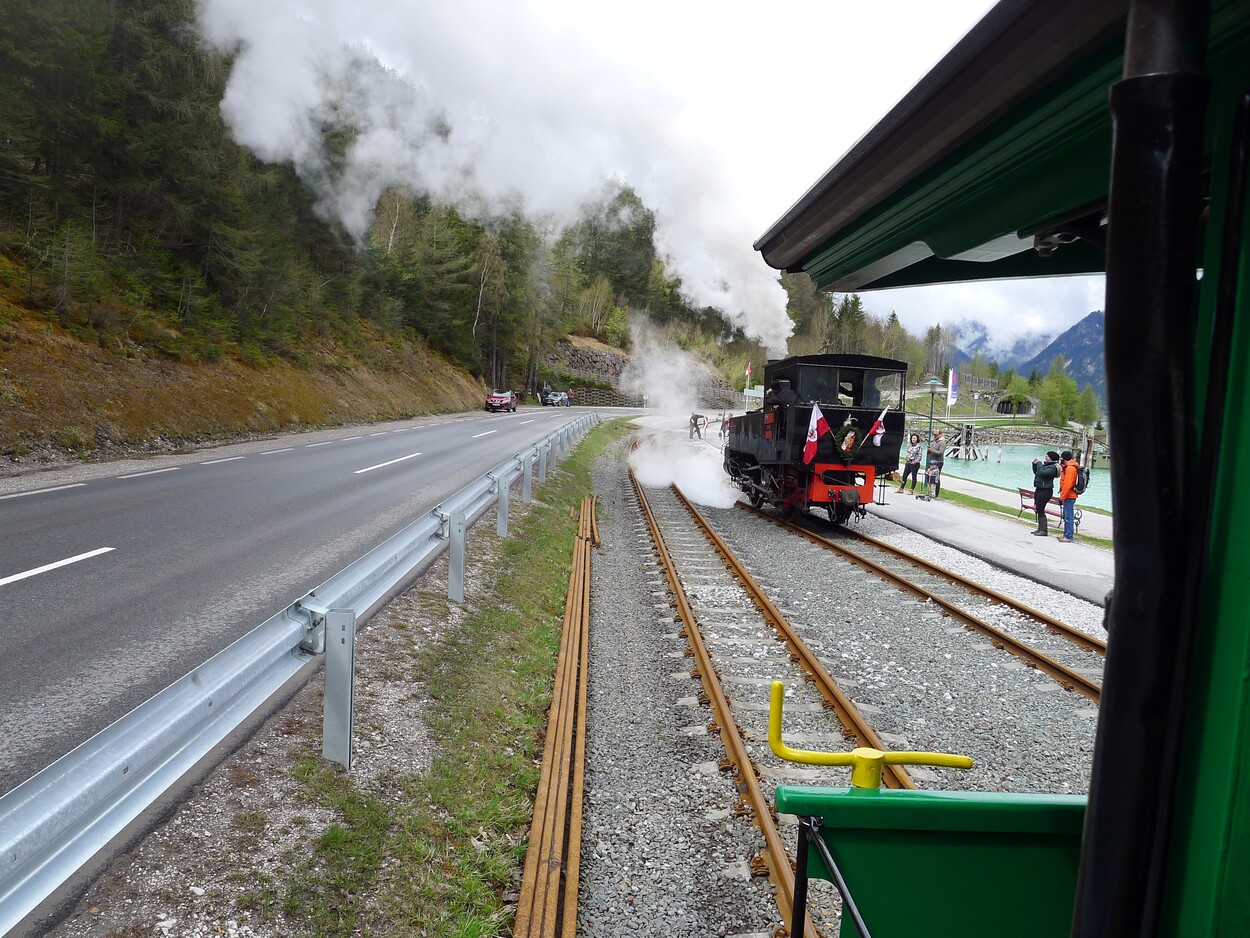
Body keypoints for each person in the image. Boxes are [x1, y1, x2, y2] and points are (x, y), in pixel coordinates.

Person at [1030, 450, 1061, 536]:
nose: (1045, 457)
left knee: (1040, 509)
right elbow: (1037, 473)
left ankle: (1044, 530)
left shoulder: (1053, 468)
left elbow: (1042, 473)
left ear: (1051, 458)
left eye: (1047, 456)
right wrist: (1034, 464)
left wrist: (1039, 463)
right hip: (1040, 489)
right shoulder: (1047, 466)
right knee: (1038, 509)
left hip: (1045, 491)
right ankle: (1040, 528)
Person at [1057, 449, 1079, 542]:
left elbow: (1068, 484)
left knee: (1068, 517)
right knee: (1066, 516)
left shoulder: (1070, 468)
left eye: (1061, 457)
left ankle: (1068, 536)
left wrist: (1062, 497)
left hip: (1069, 496)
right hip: (1068, 495)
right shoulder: (1067, 467)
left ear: (1064, 458)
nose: (1060, 459)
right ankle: (1066, 534)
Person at [926, 429, 946, 498]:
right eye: (934, 435)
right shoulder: (933, 442)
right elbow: (930, 451)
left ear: (940, 435)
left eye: (936, 435)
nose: (934, 436)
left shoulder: (942, 442)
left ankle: (936, 494)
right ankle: (930, 492)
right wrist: (929, 450)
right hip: (932, 461)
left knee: (936, 478)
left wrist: (932, 450)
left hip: (938, 462)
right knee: (929, 476)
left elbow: (940, 452)